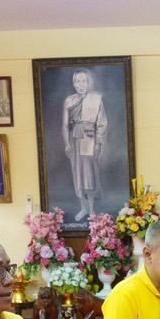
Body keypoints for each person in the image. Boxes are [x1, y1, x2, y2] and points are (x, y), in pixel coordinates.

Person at [62, 68, 107, 221]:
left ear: (88, 83)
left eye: (84, 81)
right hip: (75, 140)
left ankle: (92, 209)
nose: (81, 84)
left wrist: (98, 143)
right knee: (78, 176)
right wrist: (67, 143)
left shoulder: (96, 99)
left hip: (90, 139)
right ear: (73, 83)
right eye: (77, 81)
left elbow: (101, 123)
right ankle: (83, 208)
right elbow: (65, 125)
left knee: (89, 176)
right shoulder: (69, 100)